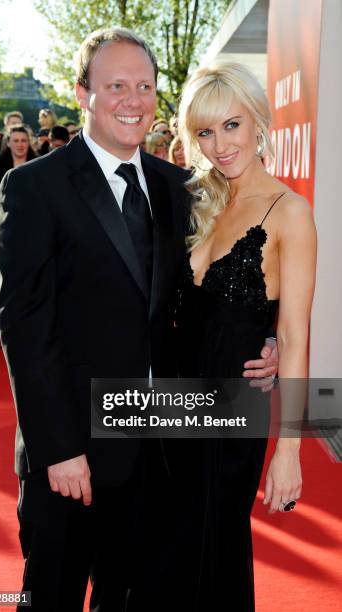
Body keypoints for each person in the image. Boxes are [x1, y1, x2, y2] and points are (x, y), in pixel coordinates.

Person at [0, 31, 278, 611]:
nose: (133, 99)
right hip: (72, 455)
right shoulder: (33, 187)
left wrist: (263, 341)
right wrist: (59, 447)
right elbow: (24, 326)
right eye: (116, 85)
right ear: (83, 94)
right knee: (52, 595)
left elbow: (203, 300)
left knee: (132, 599)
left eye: (144, 86)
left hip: (159, 450)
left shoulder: (181, 190)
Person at [176, 62, 316, 610]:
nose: (220, 144)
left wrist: (289, 451)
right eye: (205, 132)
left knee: (213, 552)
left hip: (231, 414)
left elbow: (297, 338)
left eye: (231, 125)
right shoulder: (202, 201)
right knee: (168, 554)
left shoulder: (290, 213)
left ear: (258, 122)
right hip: (170, 405)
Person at [0, 126, 37, 192]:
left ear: (28, 143)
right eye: (16, 141)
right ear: (8, 143)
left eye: (23, 141)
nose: (20, 144)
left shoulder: (37, 163)